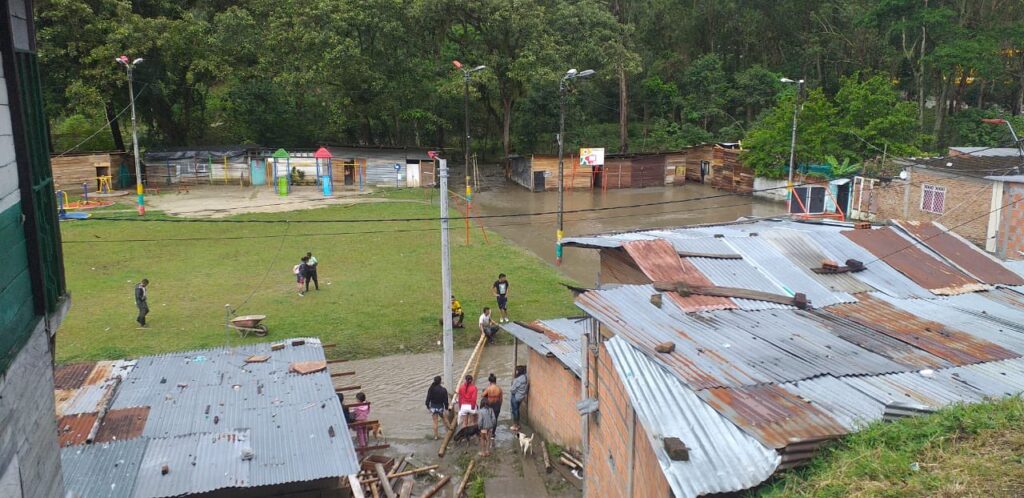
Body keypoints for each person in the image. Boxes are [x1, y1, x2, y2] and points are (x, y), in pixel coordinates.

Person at [510, 365, 528, 431]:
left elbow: (512, 390)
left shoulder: (517, 380)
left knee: (515, 411)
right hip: (521, 396)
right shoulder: (525, 377)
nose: (516, 372)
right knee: (517, 410)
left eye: (517, 370)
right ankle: (517, 424)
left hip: (516, 397)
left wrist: (512, 385)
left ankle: (516, 425)